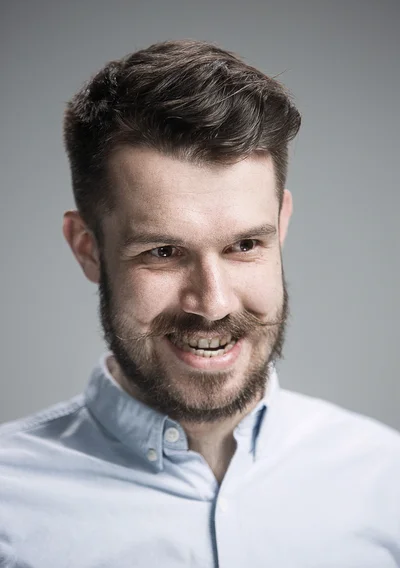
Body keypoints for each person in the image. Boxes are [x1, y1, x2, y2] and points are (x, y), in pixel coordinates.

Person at [0, 39, 399, 568]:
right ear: (87, 247)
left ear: (281, 225)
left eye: (245, 245)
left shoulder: (386, 480)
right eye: (162, 252)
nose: (211, 304)